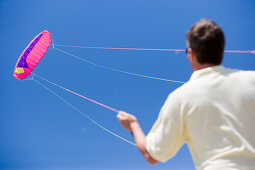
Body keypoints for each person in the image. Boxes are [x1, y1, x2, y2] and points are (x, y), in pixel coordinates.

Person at [117, 19, 255, 169]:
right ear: (222, 50)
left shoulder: (180, 98)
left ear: (191, 53)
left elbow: (152, 155)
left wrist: (133, 125)